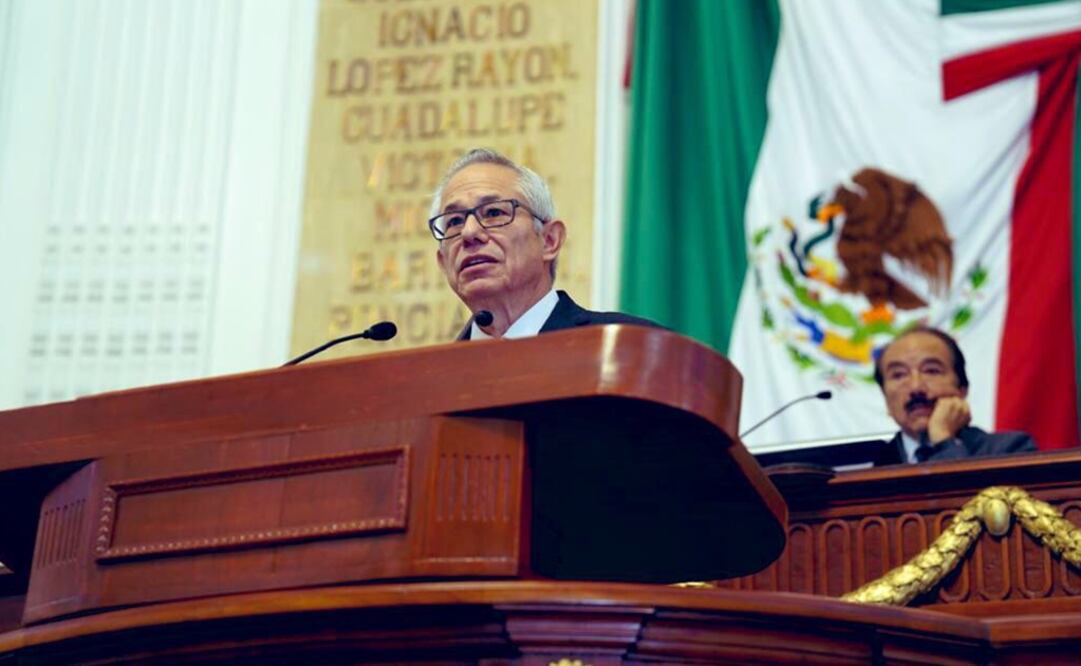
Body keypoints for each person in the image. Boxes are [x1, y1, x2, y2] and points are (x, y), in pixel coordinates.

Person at [429, 148, 657, 340]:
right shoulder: (428, 382)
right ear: (443, 263)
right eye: (454, 221)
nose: (469, 232)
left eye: (493, 212)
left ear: (549, 240)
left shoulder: (627, 344)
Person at [871, 327, 1037, 465]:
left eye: (931, 371)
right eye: (899, 375)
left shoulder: (1010, 452)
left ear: (962, 389)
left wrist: (944, 441)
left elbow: (971, 504)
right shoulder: (868, 467)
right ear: (885, 397)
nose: (915, 387)